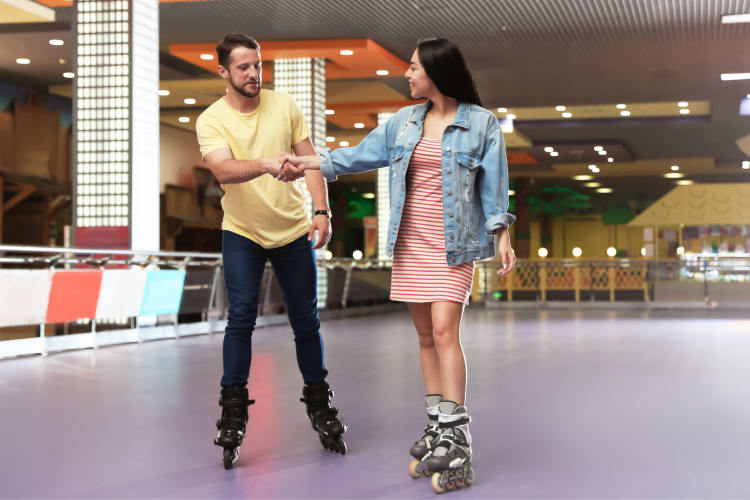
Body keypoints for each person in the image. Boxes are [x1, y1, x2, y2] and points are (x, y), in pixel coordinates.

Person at [285, 38, 516, 492]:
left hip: (453, 246)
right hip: (410, 244)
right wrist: (304, 163)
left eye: (413, 68)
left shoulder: (481, 124)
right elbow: (356, 156)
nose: (406, 75)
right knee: (426, 335)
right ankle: (436, 424)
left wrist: (502, 234)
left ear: (435, 71)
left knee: (447, 331)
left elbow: (495, 187)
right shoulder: (404, 122)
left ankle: (456, 432)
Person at [195, 33, 347, 470]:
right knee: (240, 317)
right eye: (243, 67)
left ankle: (320, 402)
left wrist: (322, 211)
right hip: (242, 231)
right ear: (223, 71)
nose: (254, 75)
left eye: (258, 66)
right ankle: (233, 409)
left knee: (306, 321)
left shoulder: (285, 105)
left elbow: (311, 159)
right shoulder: (211, 120)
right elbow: (222, 168)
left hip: (293, 230)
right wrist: (265, 163)